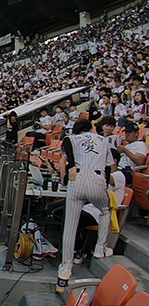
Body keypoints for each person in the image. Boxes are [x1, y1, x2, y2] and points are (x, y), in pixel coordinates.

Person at [57, 120, 115, 294]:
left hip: (77, 179)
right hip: (97, 178)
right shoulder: (103, 140)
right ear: (89, 128)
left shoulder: (73, 138)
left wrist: (72, 165)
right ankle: (100, 249)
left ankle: (65, 269)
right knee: (105, 211)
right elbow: (109, 167)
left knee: (70, 225)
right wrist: (103, 185)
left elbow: (66, 141)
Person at [116, 121, 148, 185]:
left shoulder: (140, 145)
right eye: (126, 132)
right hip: (118, 169)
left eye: (129, 132)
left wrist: (125, 150)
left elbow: (140, 161)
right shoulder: (126, 145)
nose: (127, 134)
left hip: (127, 172)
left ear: (136, 133)